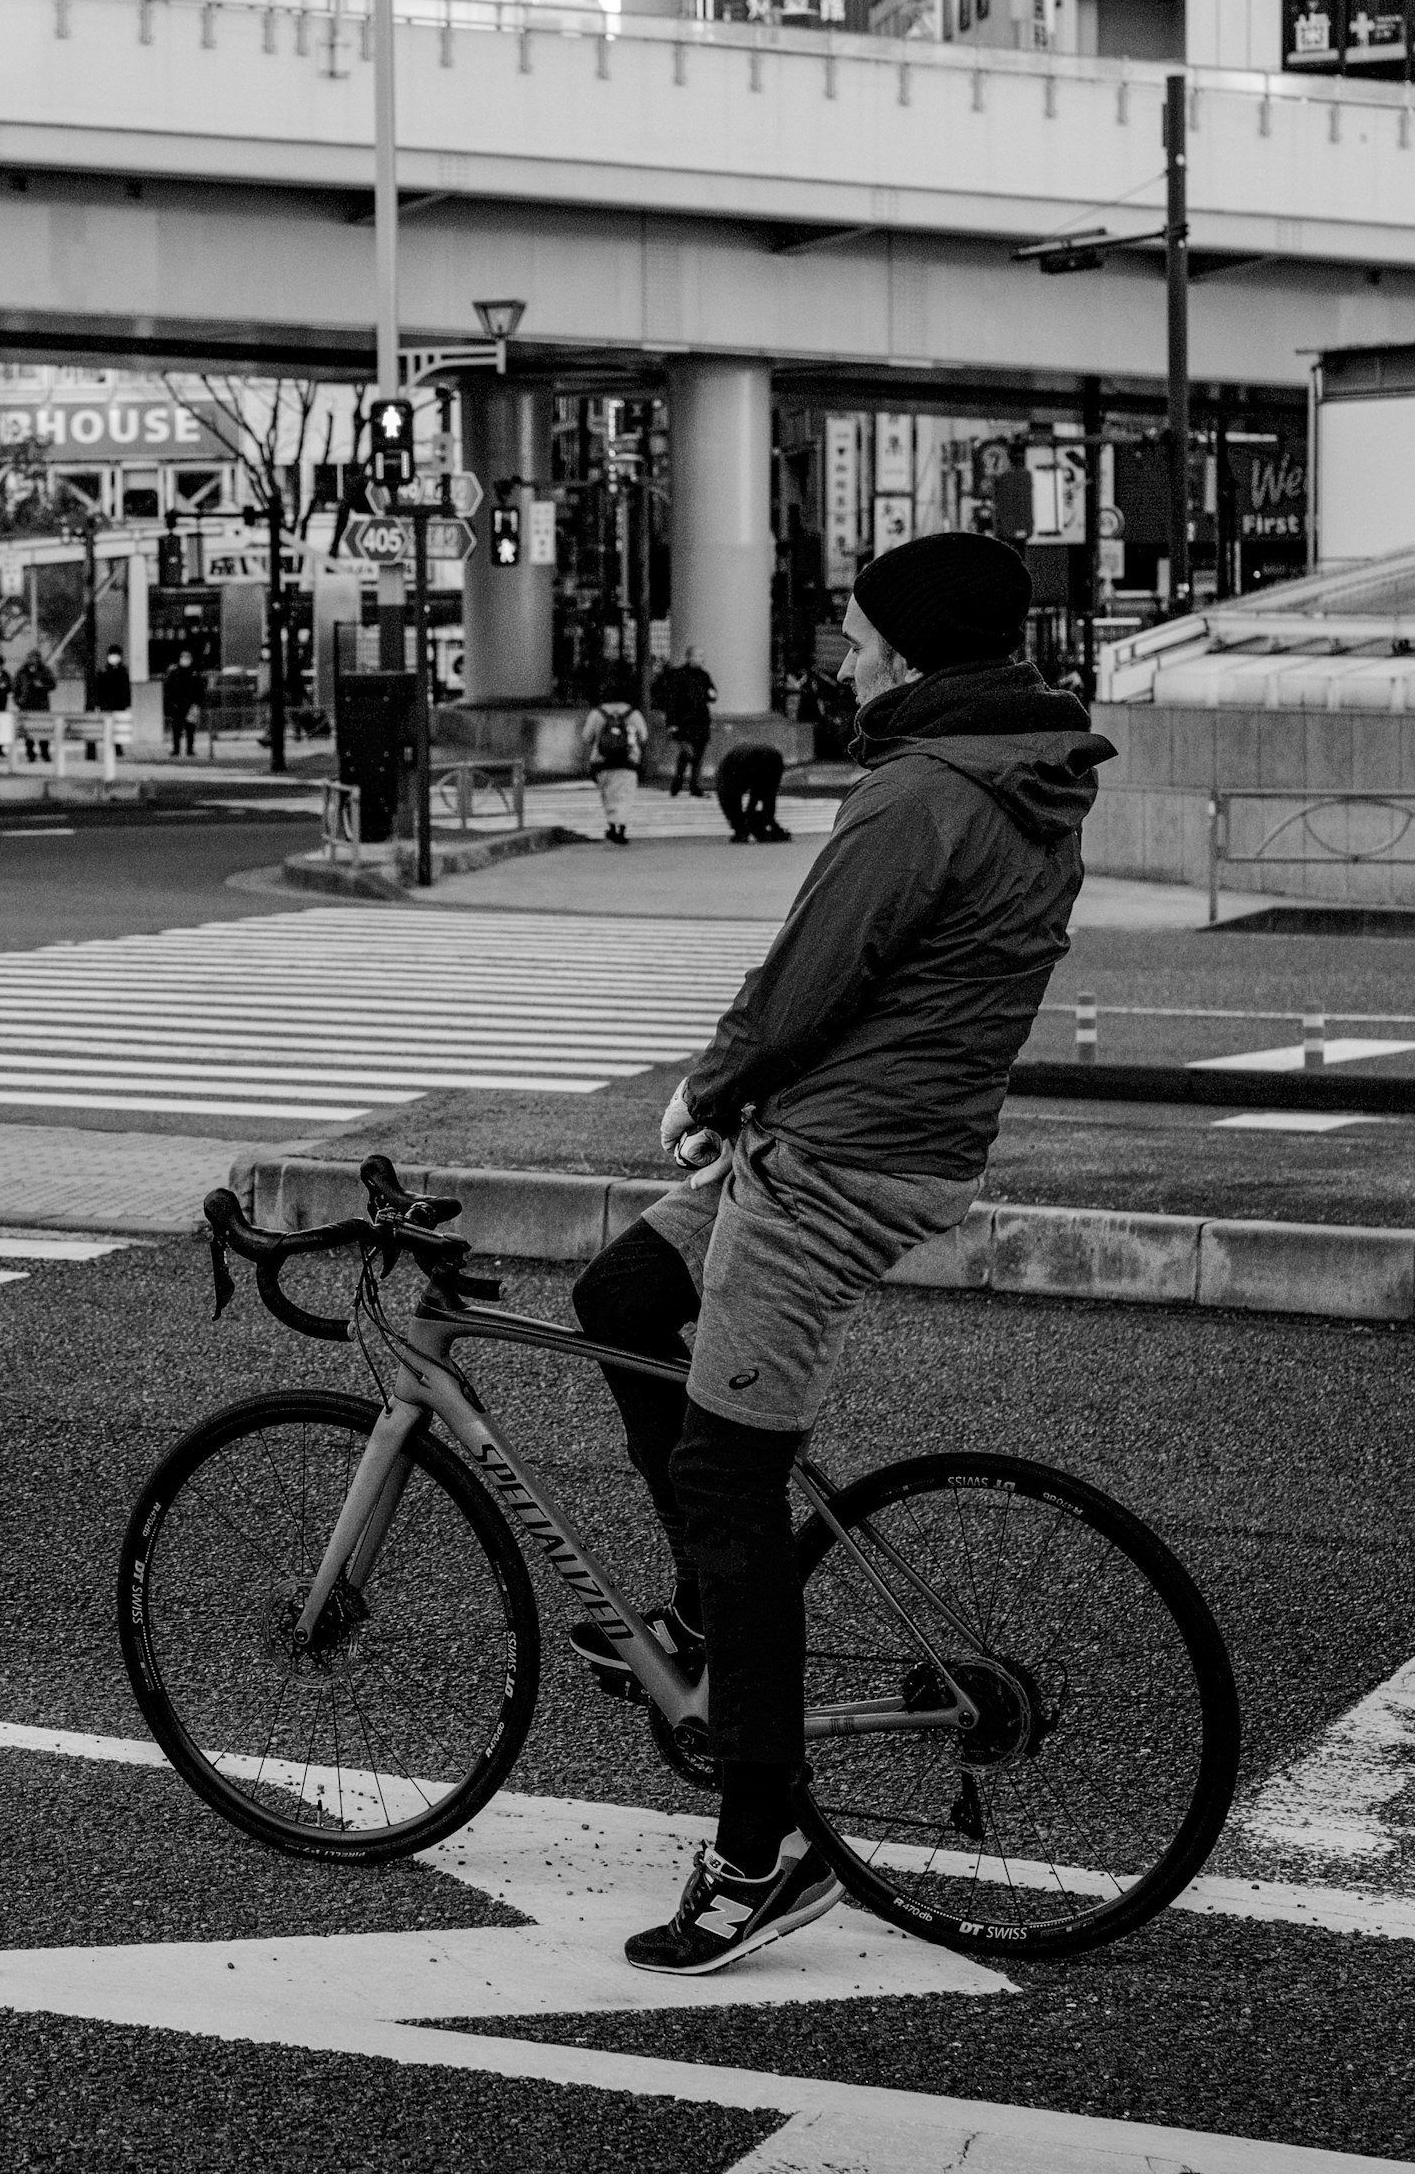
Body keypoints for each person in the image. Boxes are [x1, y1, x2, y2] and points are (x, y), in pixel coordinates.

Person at [562, 531, 1113, 1976]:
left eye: (861, 636)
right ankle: (698, 1605)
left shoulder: (923, 792)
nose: (844, 657)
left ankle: (762, 1848)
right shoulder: (1023, 770)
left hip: (834, 1166)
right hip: (860, 1134)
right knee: (622, 1293)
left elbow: (814, 970)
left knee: (725, 1481)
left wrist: (710, 1086)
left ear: (919, 653)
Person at [577, 688, 650, 846]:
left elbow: (586, 737)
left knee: (608, 795)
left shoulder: (597, 713)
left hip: (602, 762)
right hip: (628, 762)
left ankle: (611, 826)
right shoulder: (633, 714)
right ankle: (622, 829)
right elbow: (643, 736)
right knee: (625, 796)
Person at [654, 650, 718, 797]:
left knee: (698, 755)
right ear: (690, 657)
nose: (702, 659)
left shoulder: (704, 675)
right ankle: (679, 782)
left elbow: (711, 694)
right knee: (687, 752)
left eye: (702, 656)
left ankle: (693, 785)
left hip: (701, 720)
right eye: (699, 656)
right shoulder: (678, 675)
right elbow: (672, 700)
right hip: (684, 721)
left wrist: (712, 694)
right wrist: (671, 723)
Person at [712, 739, 790, 843]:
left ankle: (744, 830)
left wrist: (740, 826)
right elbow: (764, 791)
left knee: (734, 800)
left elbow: (733, 803)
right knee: (768, 791)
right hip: (772, 756)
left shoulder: (726, 777)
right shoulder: (726, 775)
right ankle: (762, 824)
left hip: (746, 759)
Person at [87, 646, 134, 763]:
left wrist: (127, 703)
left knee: (117, 726)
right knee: (109, 725)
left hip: (119, 704)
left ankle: (117, 747)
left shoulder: (123, 671)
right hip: (106, 704)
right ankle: (112, 746)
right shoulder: (103, 671)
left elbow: (126, 689)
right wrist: (98, 703)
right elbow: (98, 689)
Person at [11, 649, 59, 762]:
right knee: (28, 733)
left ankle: (45, 753)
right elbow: (15, 688)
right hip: (26, 706)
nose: (34, 661)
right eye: (31, 658)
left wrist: (42, 685)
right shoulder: (22, 672)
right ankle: (30, 754)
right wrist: (19, 701)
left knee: (43, 731)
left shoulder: (44, 670)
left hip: (41, 706)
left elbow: (52, 684)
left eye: (36, 658)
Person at [160, 657, 206, 758]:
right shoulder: (175, 673)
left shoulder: (194, 673)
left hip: (190, 706)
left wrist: (197, 703)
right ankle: (177, 749)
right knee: (177, 729)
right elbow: (168, 690)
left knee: (190, 729)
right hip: (177, 705)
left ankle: (189, 749)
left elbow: (200, 690)